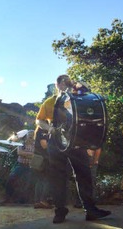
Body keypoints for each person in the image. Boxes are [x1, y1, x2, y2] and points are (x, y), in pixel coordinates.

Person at [37, 74, 110, 224]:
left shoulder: (78, 101)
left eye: (68, 83)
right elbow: (39, 120)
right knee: (58, 178)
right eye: (62, 83)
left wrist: (80, 85)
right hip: (56, 142)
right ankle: (60, 211)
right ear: (57, 85)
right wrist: (49, 127)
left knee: (84, 174)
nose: (66, 85)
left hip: (76, 142)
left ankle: (91, 210)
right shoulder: (50, 101)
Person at [0, 130, 37, 205]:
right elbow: (19, 153)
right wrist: (31, 154)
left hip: (31, 166)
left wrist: (26, 154)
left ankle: (25, 200)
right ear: (26, 136)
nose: (30, 136)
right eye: (29, 135)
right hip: (21, 165)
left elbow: (35, 155)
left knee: (29, 182)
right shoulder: (21, 143)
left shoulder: (35, 144)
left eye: (32, 135)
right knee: (11, 178)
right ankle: (7, 198)